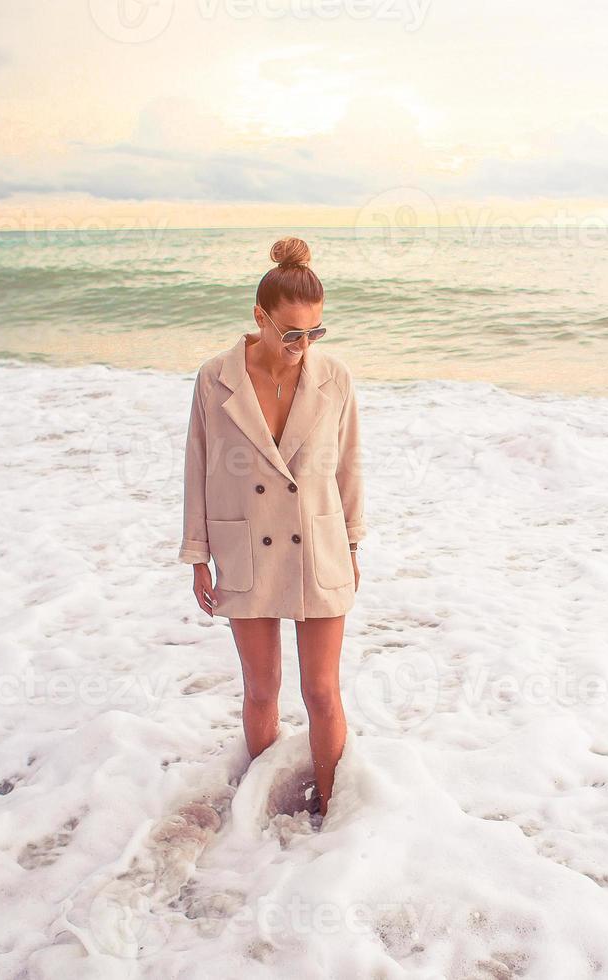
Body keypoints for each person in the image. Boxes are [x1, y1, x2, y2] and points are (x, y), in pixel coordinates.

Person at [178, 236, 365, 819]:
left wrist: (353, 544)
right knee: (262, 689)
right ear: (258, 316)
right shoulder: (215, 379)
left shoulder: (334, 377)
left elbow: (349, 464)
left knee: (322, 692)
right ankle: (259, 813)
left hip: (319, 543)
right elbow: (197, 465)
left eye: (315, 333)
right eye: (291, 334)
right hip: (246, 546)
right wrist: (197, 554)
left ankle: (330, 815)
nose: (302, 347)